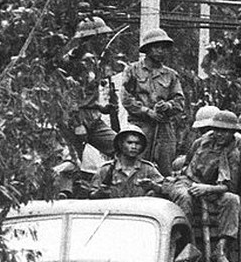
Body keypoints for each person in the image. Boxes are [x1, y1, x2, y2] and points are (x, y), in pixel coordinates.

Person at [165, 109, 241, 262]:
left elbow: (230, 186)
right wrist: (193, 184)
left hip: (212, 188)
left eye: (225, 131)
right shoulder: (200, 142)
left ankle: (220, 248)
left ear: (232, 133)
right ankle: (184, 244)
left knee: (232, 200)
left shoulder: (233, 153)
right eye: (217, 130)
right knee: (184, 197)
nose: (220, 134)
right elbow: (187, 164)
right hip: (188, 181)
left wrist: (207, 188)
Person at [122, 28, 186, 175]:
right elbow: (125, 98)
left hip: (164, 127)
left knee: (166, 169)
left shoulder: (170, 75)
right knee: (136, 165)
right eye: (157, 47)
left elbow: (180, 101)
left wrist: (168, 105)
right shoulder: (132, 70)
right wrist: (147, 111)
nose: (161, 51)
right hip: (140, 126)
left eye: (164, 48)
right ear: (148, 49)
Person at [66, 16, 119, 158]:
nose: (104, 41)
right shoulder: (77, 61)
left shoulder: (93, 60)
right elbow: (70, 94)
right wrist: (77, 124)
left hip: (94, 119)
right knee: (73, 163)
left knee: (120, 146)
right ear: (90, 39)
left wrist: (101, 107)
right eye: (101, 37)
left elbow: (87, 93)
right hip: (77, 120)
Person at [92, 125, 164, 199]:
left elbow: (165, 190)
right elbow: (91, 195)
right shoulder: (106, 169)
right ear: (121, 144)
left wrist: (153, 186)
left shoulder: (148, 169)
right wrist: (100, 193)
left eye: (137, 143)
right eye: (129, 143)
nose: (134, 146)